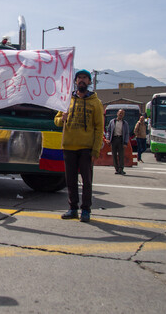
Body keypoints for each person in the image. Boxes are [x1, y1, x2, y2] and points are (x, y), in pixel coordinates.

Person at [54, 69, 104, 223]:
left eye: (85, 78)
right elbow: (55, 121)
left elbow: (99, 127)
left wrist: (95, 149)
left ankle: (86, 210)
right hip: (69, 146)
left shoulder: (96, 102)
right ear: (75, 81)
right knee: (70, 180)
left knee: (87, 181)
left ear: (89, 82)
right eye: (79, 78)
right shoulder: (67, 100)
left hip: (86, 148)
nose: (82, 80)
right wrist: (62, 118)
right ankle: (73, 208)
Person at [106, 109, 130, 175]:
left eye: (122, 114)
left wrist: (125, 142)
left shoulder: (125, 123)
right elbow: (109, 131)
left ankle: (121, 169)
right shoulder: (112, 121)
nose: (120, 114)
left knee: (121, 155)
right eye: (120, 113)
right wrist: (107, 139)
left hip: (121, 140)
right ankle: (116, 169)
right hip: (114, 139)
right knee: (114, 155)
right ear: (117, 114)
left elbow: (127, 134)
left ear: (123, 115)